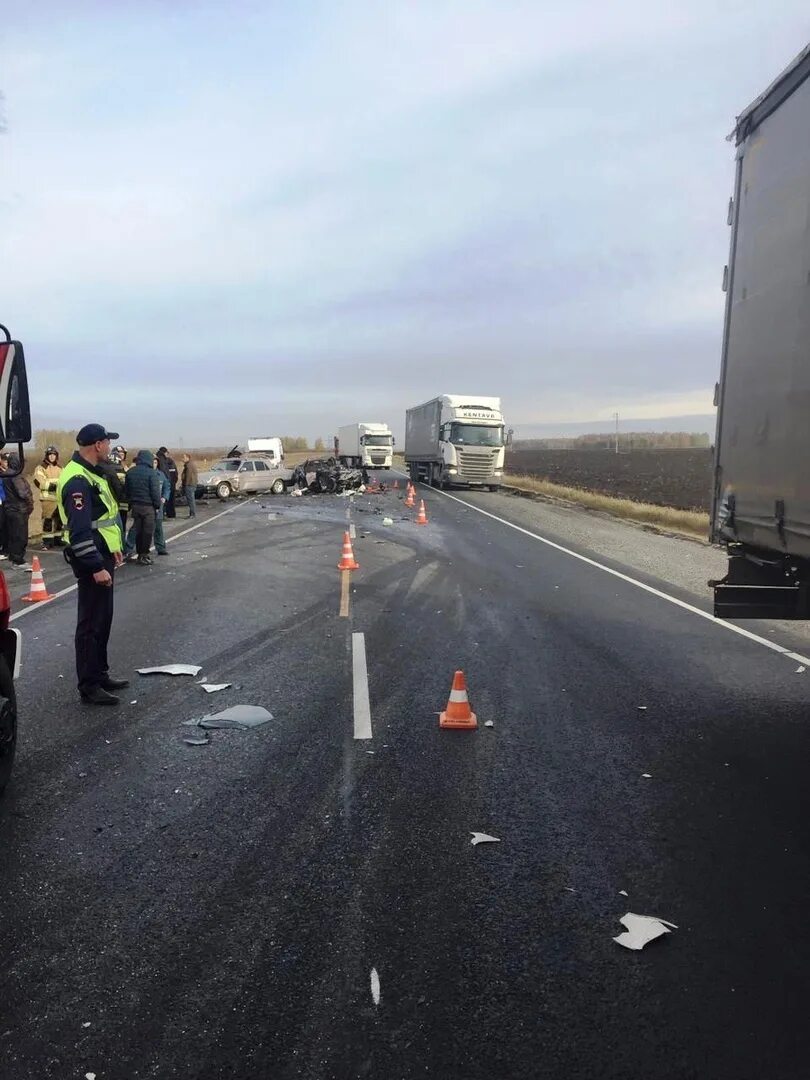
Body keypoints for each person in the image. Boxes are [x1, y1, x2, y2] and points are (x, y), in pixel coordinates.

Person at [57, 423, 127, 706]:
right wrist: (96, 566)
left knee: (103, 619)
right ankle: (88, 685)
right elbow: (80, 531)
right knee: (90, 623)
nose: (109, 448)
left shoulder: (90, 473)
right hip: (91, 557)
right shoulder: (77, 480)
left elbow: (104, 519)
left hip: (103, 552)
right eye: (107, 443)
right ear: (97, 445)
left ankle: (100, 673)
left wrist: (114, 548)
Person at [124, 450, 161, 565]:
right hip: (148, 507)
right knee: (147, 532)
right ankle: (143, 555)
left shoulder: (130, 472)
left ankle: (139, 552)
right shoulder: (151, 473)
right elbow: (155, 492)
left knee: (138, 531)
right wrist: (157, 505)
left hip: (135, 506)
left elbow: (127, 491)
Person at [3, 454, 34, 569]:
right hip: (18, 509)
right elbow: (22, 493)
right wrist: (29, 499)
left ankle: (14, 557)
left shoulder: (6, 474)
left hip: (10, 508)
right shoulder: (15, 476)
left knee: (13, 535)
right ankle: (18, 560)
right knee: (20, 536)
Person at [33, 445, 64, 551]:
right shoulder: (41, 467)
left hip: (59, 499)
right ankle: (47, 542)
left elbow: (64, 480)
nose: (52, 457)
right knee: (48, 520)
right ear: (46, 456)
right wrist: (55, 486)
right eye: (50, 455)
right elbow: (40, 482)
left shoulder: (60, 468)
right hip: (48, 499)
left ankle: (58, 539)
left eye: (54, 455)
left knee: (59, 520)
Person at [157, 447, 179, 518]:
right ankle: (169, 514)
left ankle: (165, 514)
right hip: (169, 483)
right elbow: (175, 475)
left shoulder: (160, 460)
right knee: (168, 499)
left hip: (167, 483)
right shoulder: (164, 461)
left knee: (165, 499)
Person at [181, 453, 198, 518]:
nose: (182, 459)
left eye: (184, 457)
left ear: (188, 458)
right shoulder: (189, 464)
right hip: (191, 484)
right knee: (191, 499)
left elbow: (188, 476)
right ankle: (192, 513)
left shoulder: (189, 465)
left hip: (189, 484)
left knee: (190, 500)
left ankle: (192, 514)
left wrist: (185, 485)